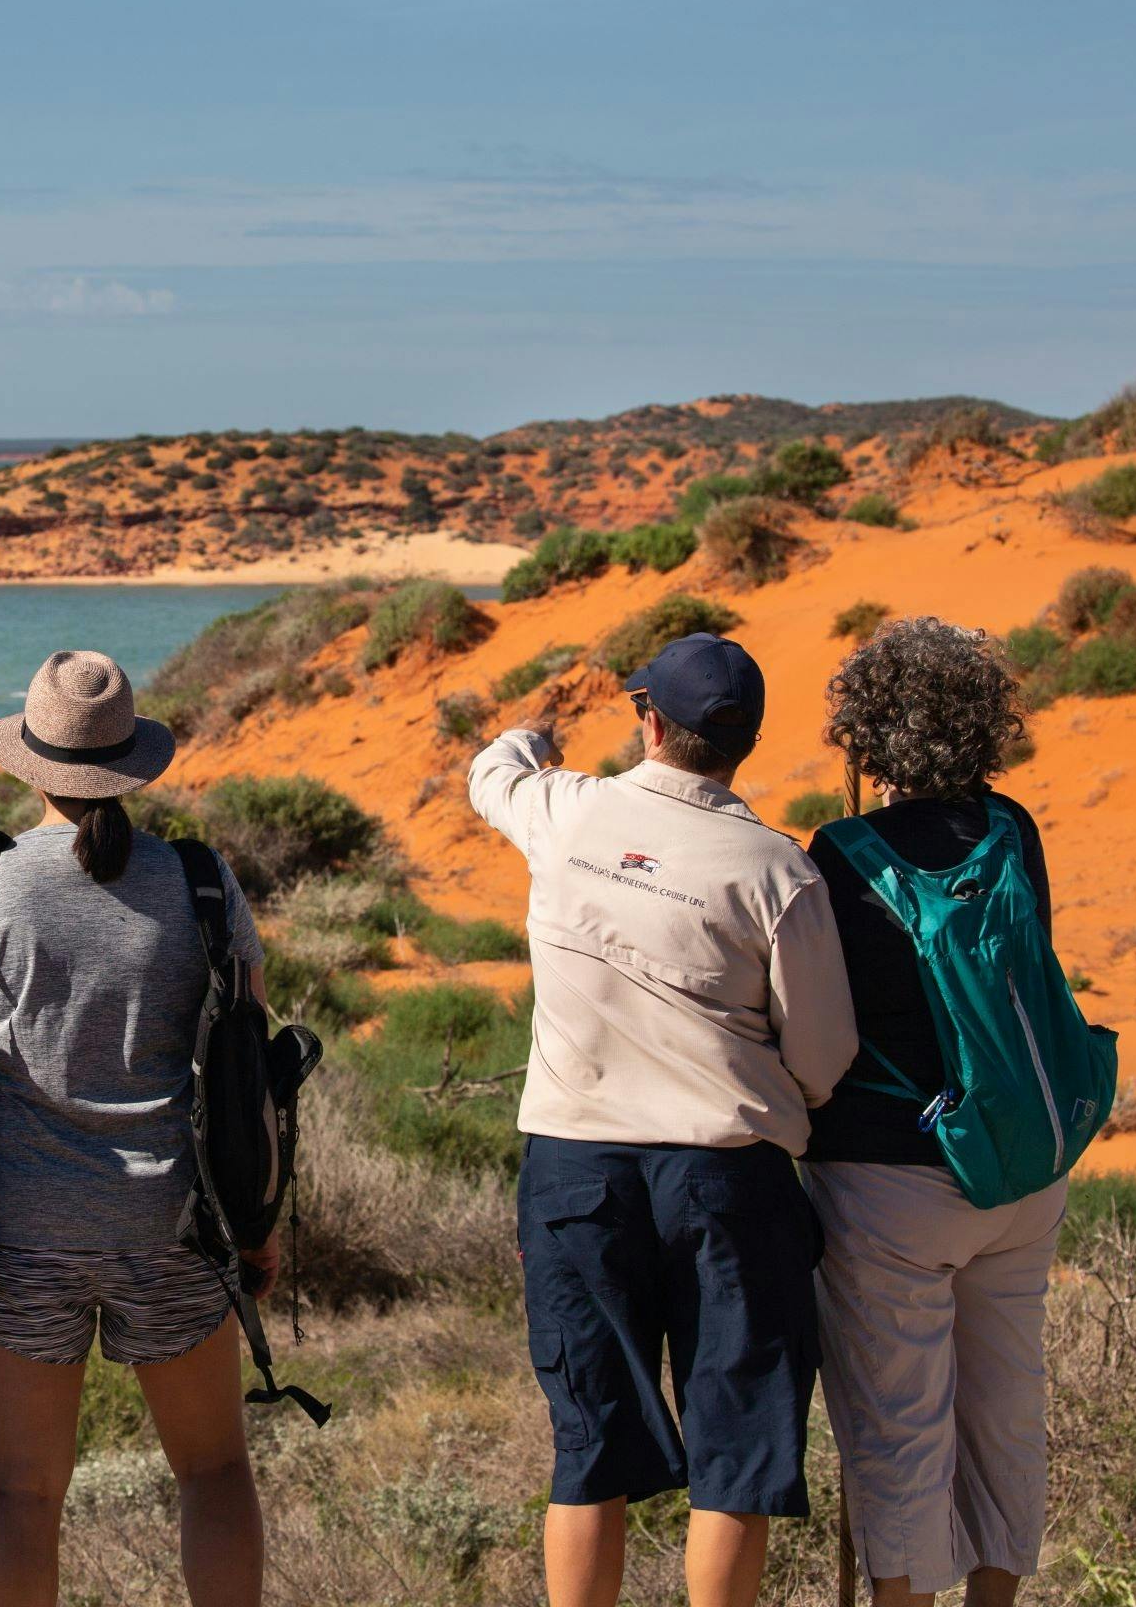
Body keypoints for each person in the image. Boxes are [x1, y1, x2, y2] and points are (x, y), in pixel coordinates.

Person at [0, 650, 276, 1607]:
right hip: (168, 1221)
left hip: (20, 1230)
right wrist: (254, 1225)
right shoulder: (200, 881)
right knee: (213, 1474)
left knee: (21, 1493)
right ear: (134, 760)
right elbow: (245, 1068)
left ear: (28, 762)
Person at [466, 632, 858, 1607]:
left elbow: (491, 774)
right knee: (737, 1448)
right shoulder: (778, 871)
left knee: (590, 1443)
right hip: (729, 1179)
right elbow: (825, 1059)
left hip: (575, 1173)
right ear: (744, 742)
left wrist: (530, 731)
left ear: (648, 721)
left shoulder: (562, 811)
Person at [804, 619, 1063, 1607]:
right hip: (1018, 1169)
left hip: (887, 1179)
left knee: (899, 1425)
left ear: (865, 736)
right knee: (1005, 1409)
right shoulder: (1012, 831)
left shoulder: (839, 853)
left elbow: (819, 1023)